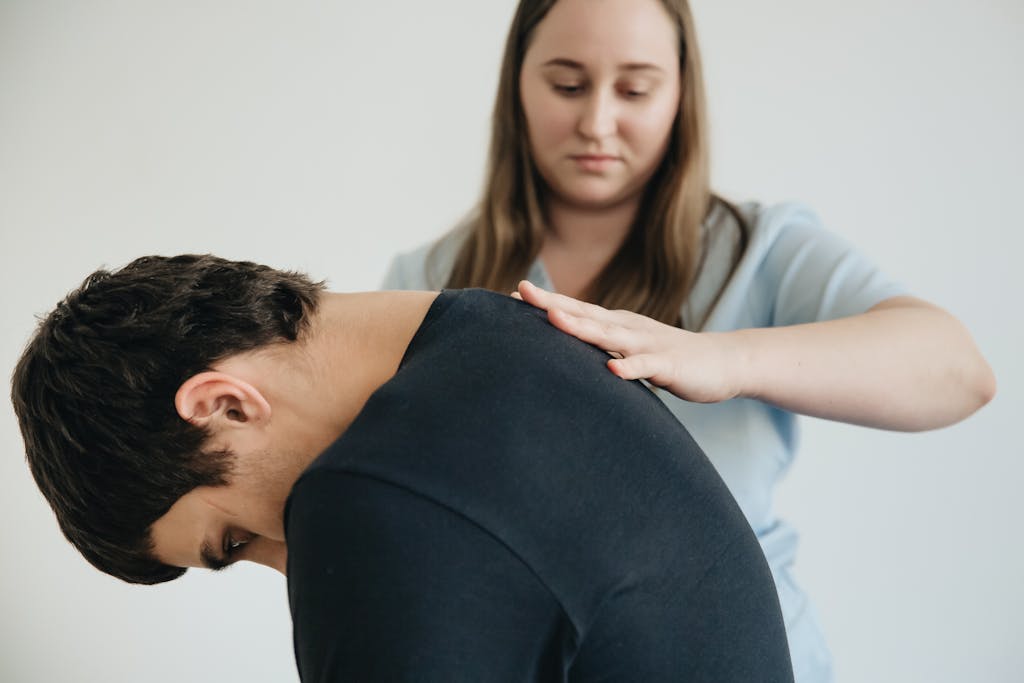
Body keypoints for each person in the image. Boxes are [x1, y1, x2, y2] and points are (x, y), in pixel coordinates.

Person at [381, 0, 997, 680]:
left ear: (681, 91)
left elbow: (958, 370)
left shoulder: (761, 250)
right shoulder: (428, 279)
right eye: (567, 84)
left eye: (636, 89)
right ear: (516, 84)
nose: (597, 122)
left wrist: (722, 357)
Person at [12, 254, 795, 682]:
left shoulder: (370, 499)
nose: (285, 564)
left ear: (224, 404)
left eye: (232, 539)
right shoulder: (514, 339)